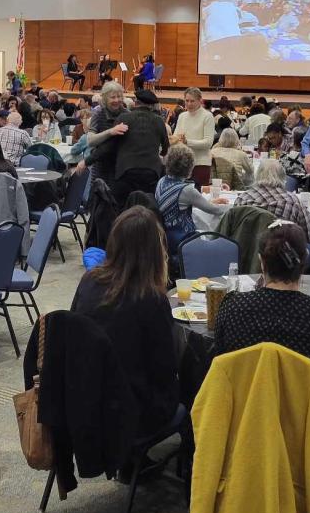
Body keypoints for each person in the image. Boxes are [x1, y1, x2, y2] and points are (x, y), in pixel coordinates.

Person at [70, 206, 179, 436]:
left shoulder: (89, 280)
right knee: (194, 389)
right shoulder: (150, 298)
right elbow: (165, 368)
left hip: (82, 400)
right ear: (154, 251)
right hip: (129, 412)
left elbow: (72, 329)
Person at [213, 221, 310, 388]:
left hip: (246, 409)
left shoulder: (233, 308)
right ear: (305, 259)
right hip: (306, 412)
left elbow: (220, 367)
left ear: (261, 261)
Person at [238, 160, 310, 270]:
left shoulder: (243, 199)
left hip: (246, 254)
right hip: (283, 258)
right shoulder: (291, 201)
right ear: (283, 177)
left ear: (258, 175)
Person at [98, 89, 169, 202]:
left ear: (136, 102)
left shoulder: (123, 118)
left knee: (122, 209)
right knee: (147, 208)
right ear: (151, 106)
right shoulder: (159, 121)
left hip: (126, 172)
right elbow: (165, 148)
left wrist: (86, 161)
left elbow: (109, 146)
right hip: (150, 172)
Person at [155, 144, 227, 248]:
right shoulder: (186, 190)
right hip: (181, 239)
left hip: (164, 234)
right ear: (190, 167)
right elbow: (215, 210)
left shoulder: (162, 181)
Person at [171, 87, 215, 187]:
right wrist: (171, 139)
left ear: (200, 101)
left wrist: (187, 142)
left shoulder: (207, 116)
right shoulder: (182, 116)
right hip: (182, 163)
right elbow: (176, 137)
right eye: (187, 101)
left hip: (200, 163)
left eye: (192, 101)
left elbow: (208, 143)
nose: (189, 104)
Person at [86, 81, 128, 183]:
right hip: (100, 169)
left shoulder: (127, 115)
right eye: (112, 97)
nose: (117, 100)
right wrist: (111, 132)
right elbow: (90, 141)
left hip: (120, 168)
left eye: (119, 97)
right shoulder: (98, 114)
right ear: (105, 98)